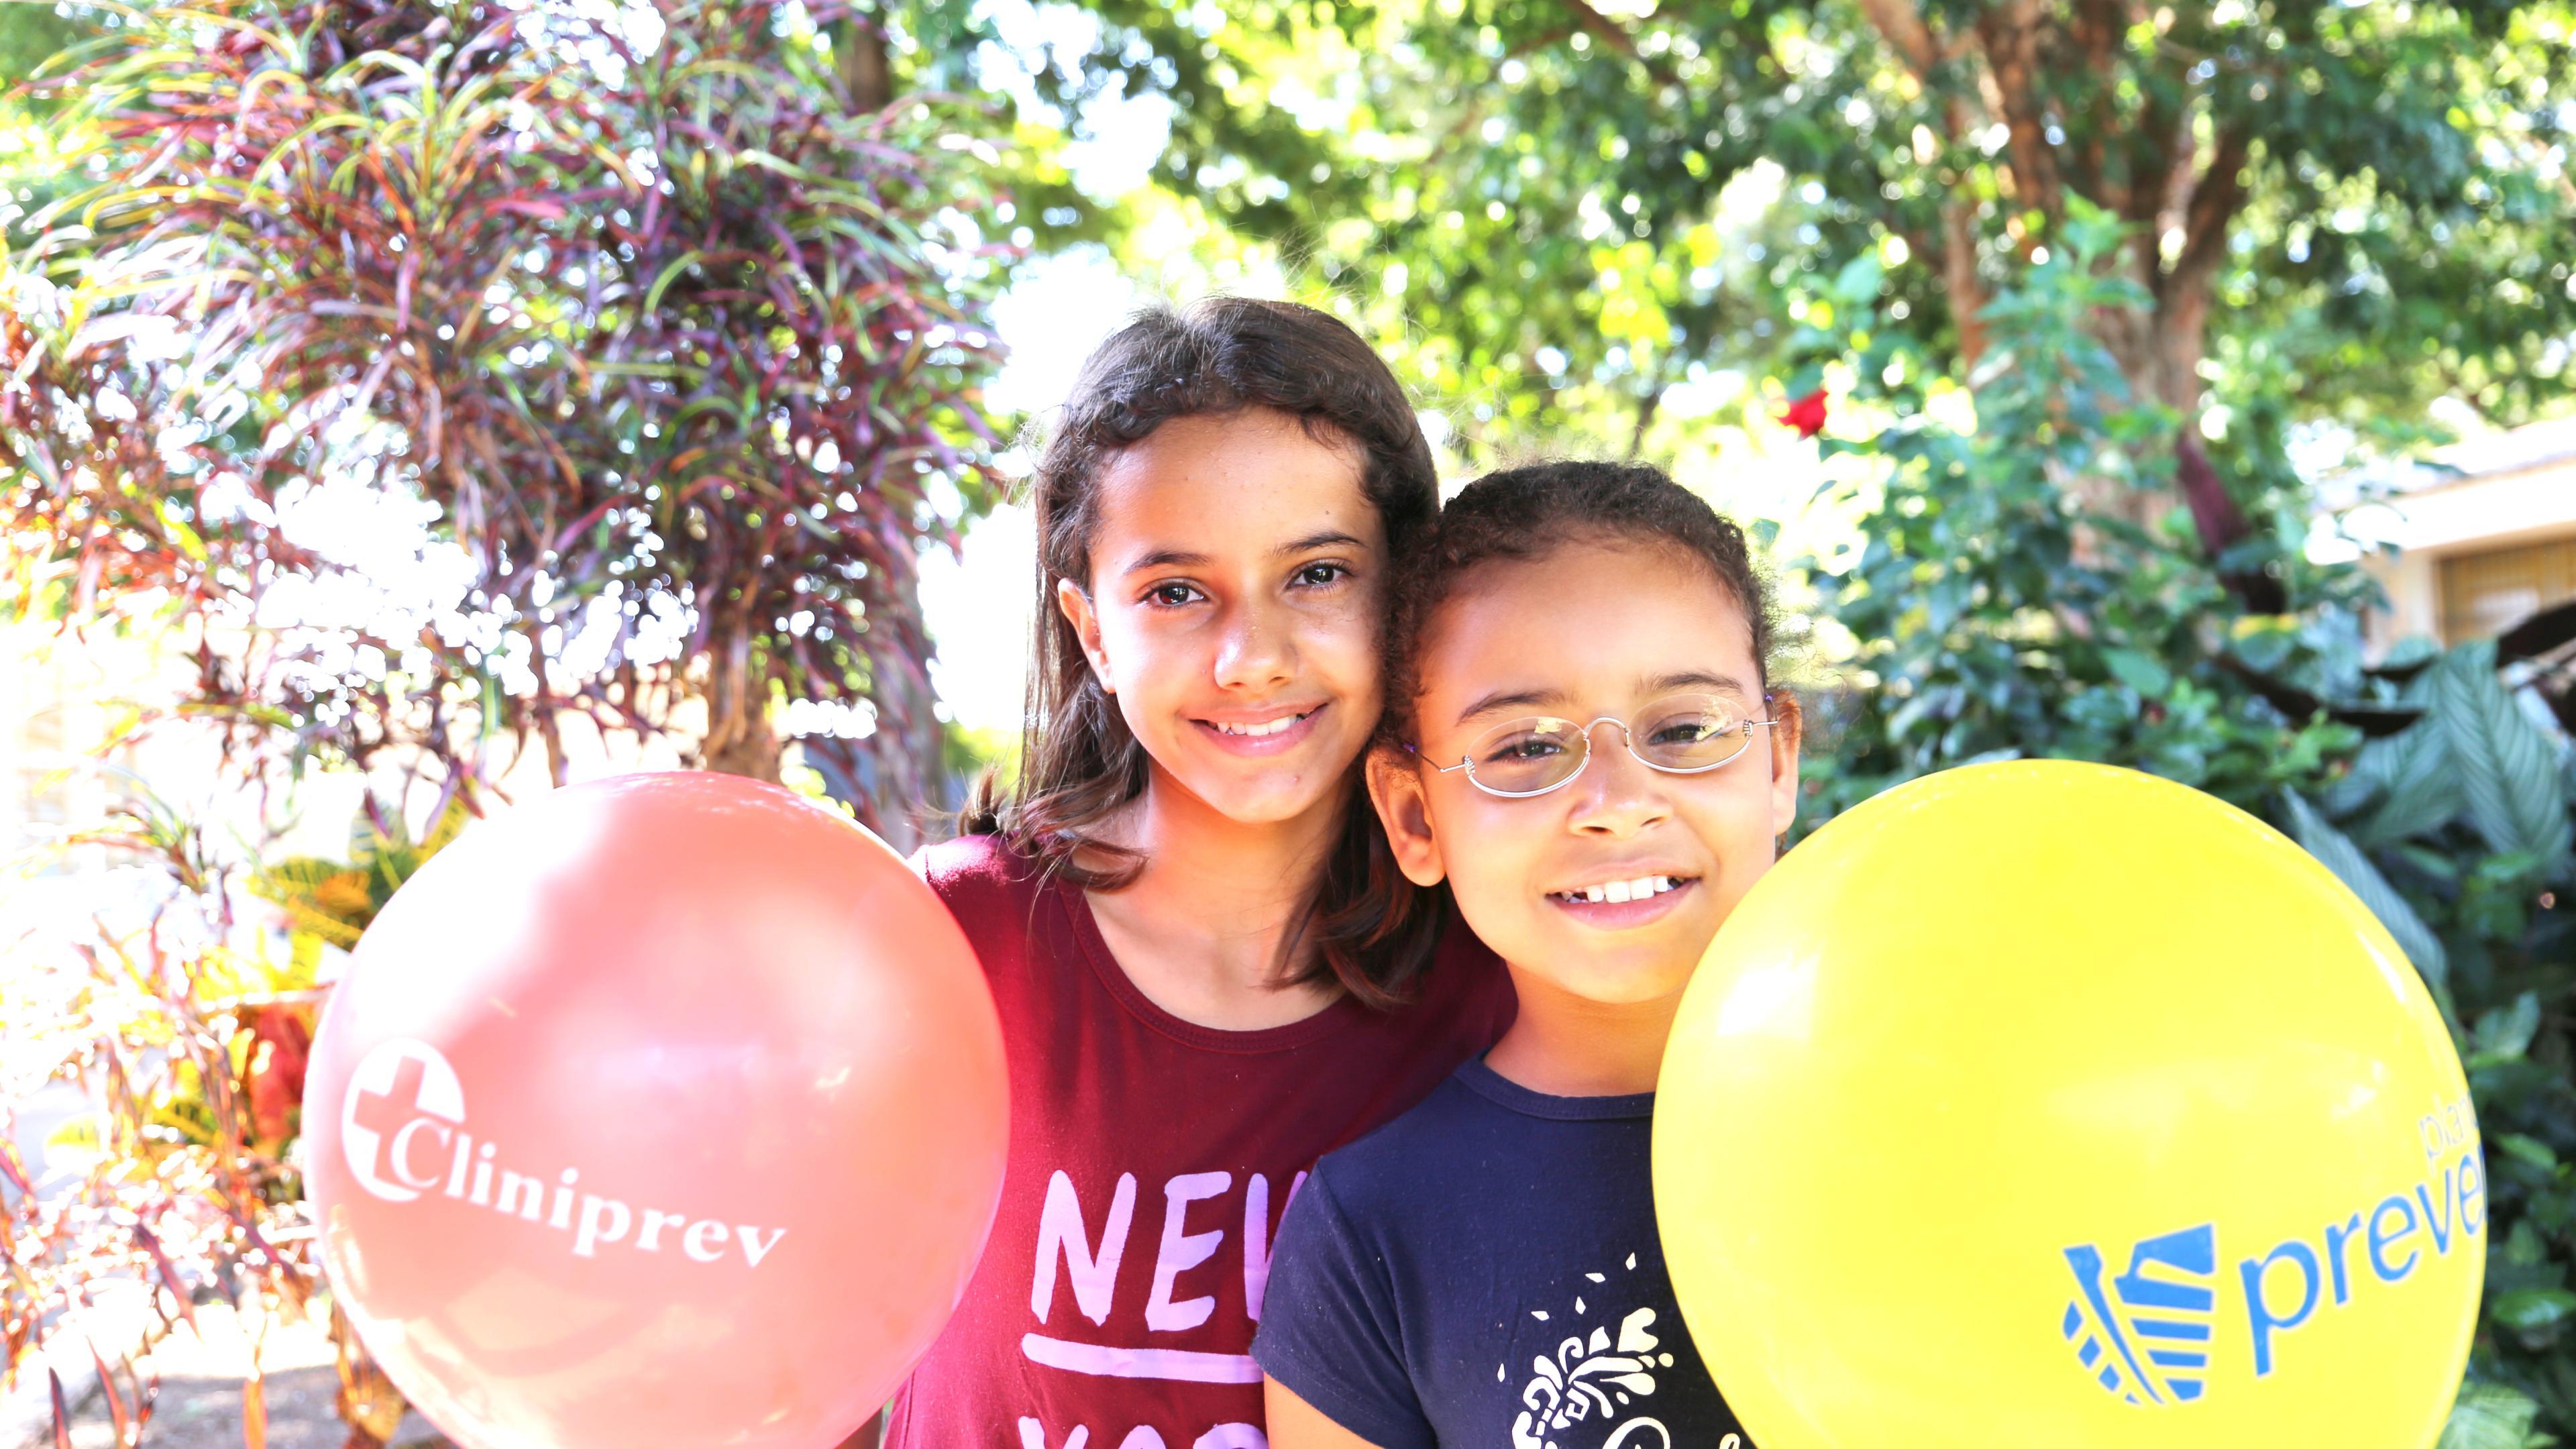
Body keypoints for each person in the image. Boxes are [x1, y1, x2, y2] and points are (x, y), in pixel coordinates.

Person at [879, 299, 1517, 1449]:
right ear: (1091, 631)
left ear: (1404, 595)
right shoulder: (949, 945)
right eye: (1176, 592)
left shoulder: (1502, 983)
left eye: (1318, 574)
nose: (1252, 657)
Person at [1252, 462, 1801, 1449]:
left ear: (1778, 760)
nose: (1619, 799)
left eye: (1684, 729)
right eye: (1525, 749)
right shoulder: (1373, 1232)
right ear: (1415, 816)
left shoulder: (1950, 1096)